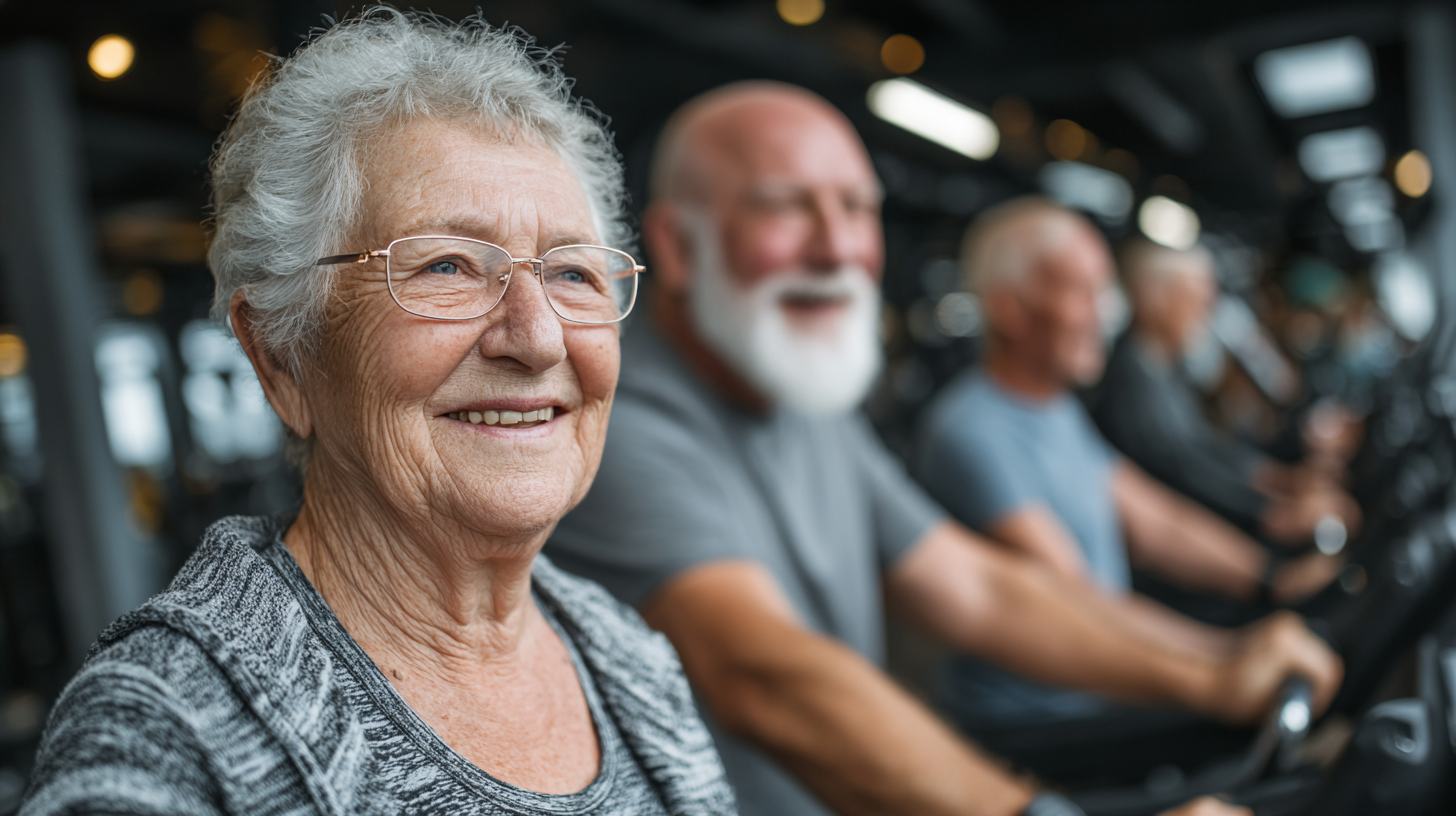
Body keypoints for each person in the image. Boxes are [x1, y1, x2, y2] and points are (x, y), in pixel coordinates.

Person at [547, 82, 1340, 816]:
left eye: (858, 208)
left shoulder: (806, 403)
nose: (838, 246)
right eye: (786, 208)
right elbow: (764, 675)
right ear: (678, 247)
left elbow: (977, 586)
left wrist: (1217, 670)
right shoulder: (619, 419)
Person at [21, 13, 734, 816]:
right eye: (446, 266)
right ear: (280, 356)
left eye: (572, 273)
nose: (538, 338)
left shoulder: (626, 652)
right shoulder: (168, 732)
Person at [915, 199, 1343, 735]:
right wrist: (1228, 657)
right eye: (1082, 291)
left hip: (1106, 687)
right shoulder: (970, 432)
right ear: (1010, 309)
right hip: (1040, 722)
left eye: (1105, 290)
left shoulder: (1057, 407)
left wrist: (1269, 579)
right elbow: (1079, 601)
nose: (1106, 314)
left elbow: (1158, 524)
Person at [1092, 238, 1360, 543]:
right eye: (1195, 297)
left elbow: (1204, 445)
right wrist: (1268, 510)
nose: (1206, 312)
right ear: (1152, 298)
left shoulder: (1164, 365)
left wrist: (1281, 480)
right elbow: (1182, 469)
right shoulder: (1132, 377)